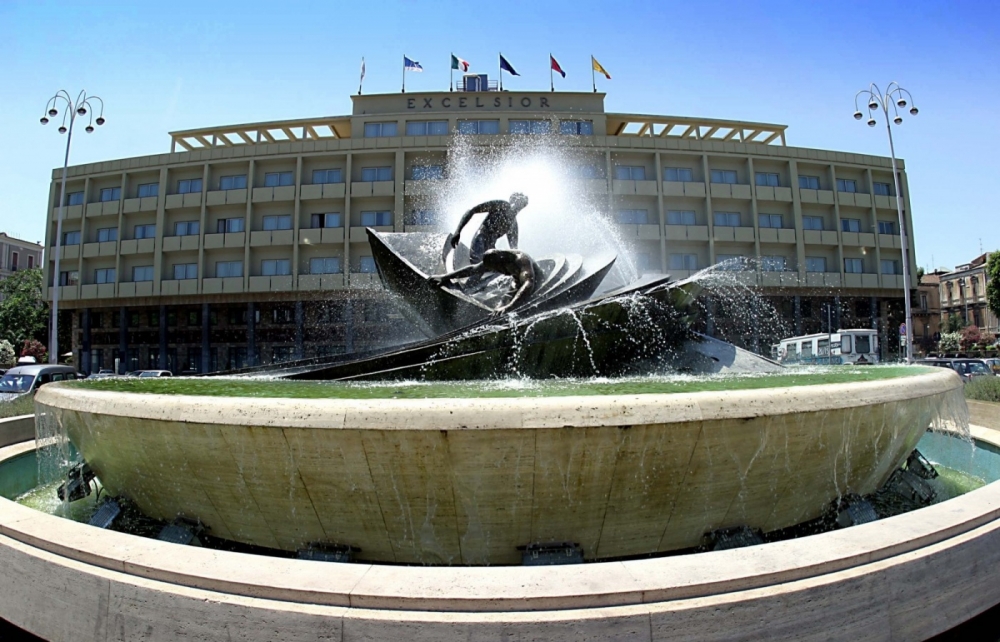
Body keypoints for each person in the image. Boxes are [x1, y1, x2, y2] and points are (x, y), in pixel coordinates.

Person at [429, 249, 537, 316]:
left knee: (508, 308)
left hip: (536, 285)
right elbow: (473, 270)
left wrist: (509, 307)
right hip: (517, 283)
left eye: (500, 269)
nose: (503, 273)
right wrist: (444, 277)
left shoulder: (521, 261)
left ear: (502, 260)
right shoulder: (496, 259)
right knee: (498, 309)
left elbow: (528, 284)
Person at [448, 193, 529, 263]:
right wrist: (458, 231)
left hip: (490, 248)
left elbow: (514, 250)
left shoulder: (513, 224)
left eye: (523, 204)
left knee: (499, 263)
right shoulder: (501, 205)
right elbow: (472, 210)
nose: (521, 205)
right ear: (513, 200)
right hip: (480, 240)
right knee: (480, 265)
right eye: (520, 201)